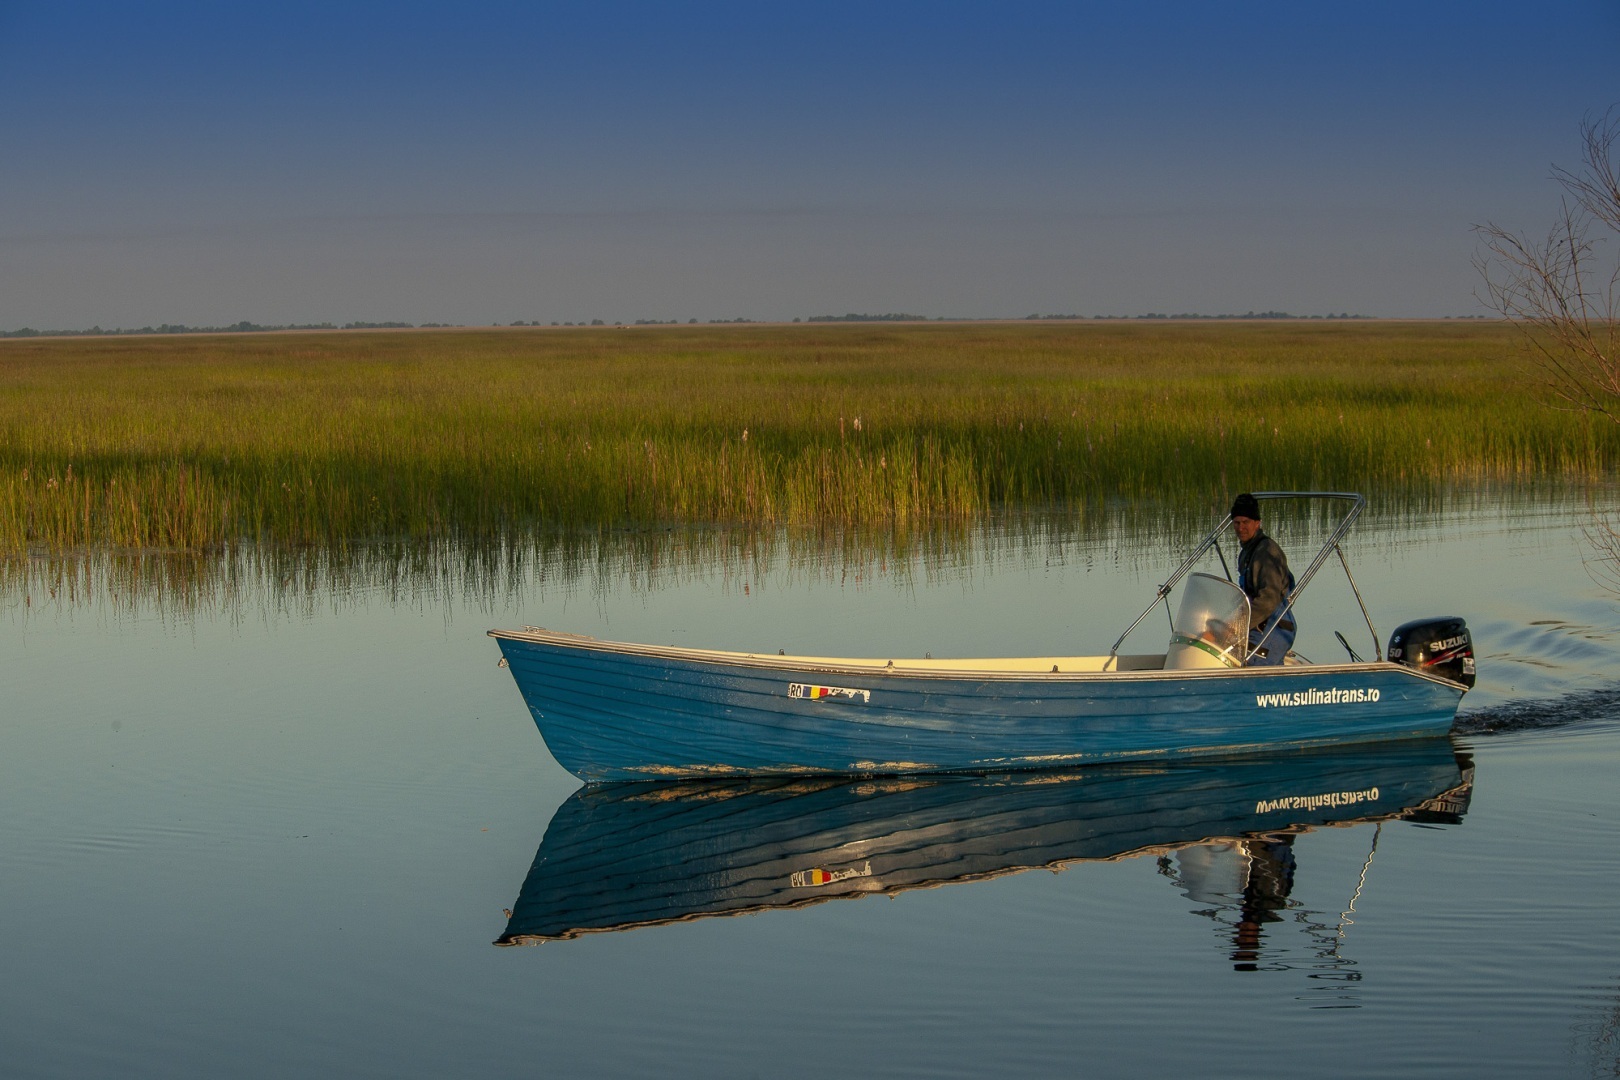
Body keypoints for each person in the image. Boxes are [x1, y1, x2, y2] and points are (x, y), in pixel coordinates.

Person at [1230, 493, 1296, 666]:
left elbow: (1268, 600)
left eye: (1246, 522)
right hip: (1256, 626)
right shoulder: (1246, 552)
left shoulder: (1267, 553)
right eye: (1237, 523)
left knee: (1248, 666)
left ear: (1257, 523)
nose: (1241, 527)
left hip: (1275, 627)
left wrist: (1237, 627)